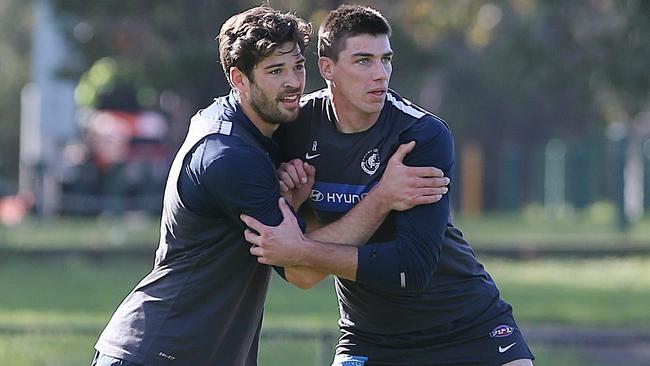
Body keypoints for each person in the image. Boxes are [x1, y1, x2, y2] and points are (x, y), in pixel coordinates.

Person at [92, 5, 448, 366]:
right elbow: (302, 270)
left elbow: (297, 246)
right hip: (159, 352)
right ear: (239, 79)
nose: (293, 82)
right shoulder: (231, 156)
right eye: (275, 71)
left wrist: (295, 207)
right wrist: (382, 197)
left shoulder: (248, 129)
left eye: (296, 67)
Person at [242, 5, 535, 366]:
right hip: (368, 337)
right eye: (364, 60)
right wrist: (308, 212)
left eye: (386, 59)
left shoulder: (421, 135)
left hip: (467, 325)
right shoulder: (294, 130)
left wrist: (300, 248)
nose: (380, 74)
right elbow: (298, 275)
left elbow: (410, 268)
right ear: (326, 67)